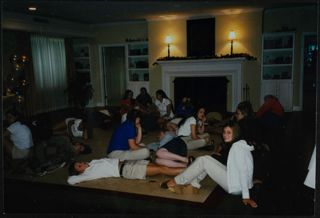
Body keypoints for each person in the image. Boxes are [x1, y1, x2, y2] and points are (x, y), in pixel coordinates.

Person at [161, 121, 258, 208]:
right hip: (236, 180)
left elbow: (243, 171)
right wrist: (250, 183)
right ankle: (193, 185)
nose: (225, 135)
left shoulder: (237, 148)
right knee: (207, 159)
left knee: (204, 161)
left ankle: (176, 181)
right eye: (224, 132)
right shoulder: (241, 144)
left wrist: (246, 196)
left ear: (235, 133)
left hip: (235, 187)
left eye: (229, 132)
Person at [67, 158, 185, 185]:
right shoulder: (89, 173)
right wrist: (81, 174)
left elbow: (108, 160)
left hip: (128, 163)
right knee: (162, 169)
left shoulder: (93, 162)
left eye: (80, 163)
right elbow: (71, 180)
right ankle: (190, 170)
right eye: (79, 166)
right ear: (80, 172)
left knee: (160, 166)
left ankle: (185, 169)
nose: (82, 164)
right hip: (127, 170)